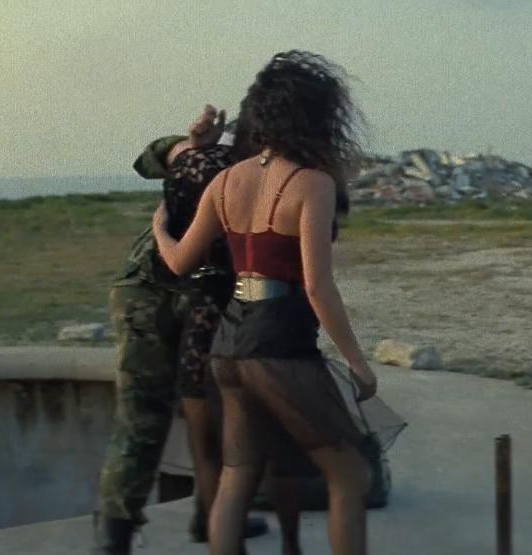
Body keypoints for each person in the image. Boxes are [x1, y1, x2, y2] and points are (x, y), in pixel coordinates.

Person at [152, 50, 379, 555]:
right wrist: (358, 364)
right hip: (280, 347)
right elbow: (318, 287)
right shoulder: (313, 183)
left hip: (228, 345)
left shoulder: (225, 180)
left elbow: (179, 261)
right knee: (350, 475)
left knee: (237, 476)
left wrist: (159, 229)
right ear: (316, 118)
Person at [93, 109, 272, 554]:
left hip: (205, 294)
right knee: (145, 414)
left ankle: (211, 517)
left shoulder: (272, 174)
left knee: (211, 410)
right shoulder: (216, 157)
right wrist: (188, 144)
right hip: (151, 290)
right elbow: (147, 160)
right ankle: (113, 536)